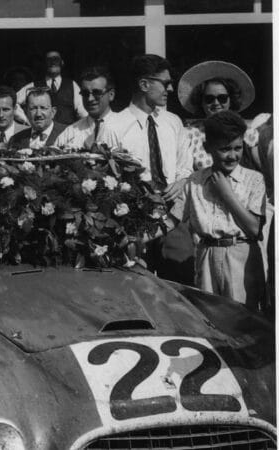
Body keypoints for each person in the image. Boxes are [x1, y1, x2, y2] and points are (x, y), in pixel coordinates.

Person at [162, 111, 265, 308]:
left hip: (240, 256)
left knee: (241, 318)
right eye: (225, 149)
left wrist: (227, 194)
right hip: (206, 255)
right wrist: (136, 237)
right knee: (209, 315)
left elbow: (254, 229)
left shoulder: (254, 180)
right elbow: (171, 220)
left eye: (238, 148)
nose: (233, 155)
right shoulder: (195, 181)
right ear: (207, 147)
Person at [108, 54, 194, 284]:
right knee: (137, 285)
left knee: (181, 285)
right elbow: (108, 178)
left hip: (173, 217)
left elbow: (186, 167)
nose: (171, 88)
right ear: (144, 84)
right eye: (165, 83)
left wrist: (182, 181)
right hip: (134, 220)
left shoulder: (173, 122)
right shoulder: (114, 125)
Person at [176, 60, 258, 170]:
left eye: (222, 98)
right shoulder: (191, 134)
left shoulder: (248, 132)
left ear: (231, 100)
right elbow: (184, 171)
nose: (216, 103)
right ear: (201, 101)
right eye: (209, 99)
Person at [54, 66, 119, 151]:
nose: (90, 99)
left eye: (97, 93)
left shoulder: (125, 128)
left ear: (111, 95)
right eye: (85, 93)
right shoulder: (70, 132)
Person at [14, 51, 87, 126]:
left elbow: (83, 113)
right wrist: (26, 120)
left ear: (62, 63)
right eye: (49, 60)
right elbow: (13, 102)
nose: (53, 62)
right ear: (44, 64)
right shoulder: (34, 85)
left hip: (67, 134)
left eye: (56, 59)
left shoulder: (72, 85)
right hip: (42, 135)